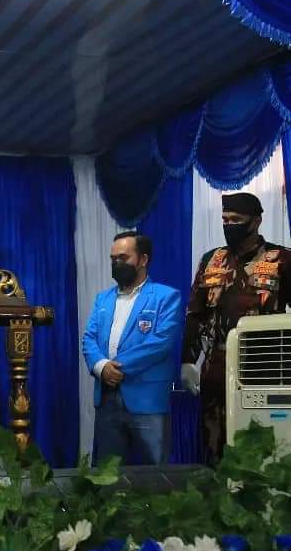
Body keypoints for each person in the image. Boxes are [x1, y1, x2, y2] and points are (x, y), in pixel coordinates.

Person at [181, 192, 291, 465]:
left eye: (236, 220)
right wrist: (187, 360)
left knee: (263, 445)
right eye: (225, 220)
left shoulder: (281, 259)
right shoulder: (212, 259)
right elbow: (195, 314)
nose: (229, 225)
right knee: (214, 446)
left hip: (264, 367)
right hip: (217, 367)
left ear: (256, 221)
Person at [82, 231, 182, 466]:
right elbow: (89, 339)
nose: (116, 263)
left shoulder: (166, 297)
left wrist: (114, 368)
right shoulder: (102, 299)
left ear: (143, 260)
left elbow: (160, 342)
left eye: (123, 258)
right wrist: (101, 366)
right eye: (113, 259)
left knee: (155, 475)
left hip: (148, 402)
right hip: (107, 399)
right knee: (107, 475)